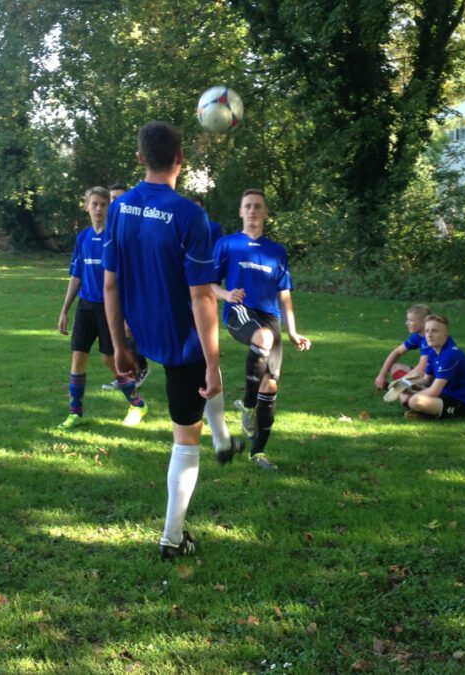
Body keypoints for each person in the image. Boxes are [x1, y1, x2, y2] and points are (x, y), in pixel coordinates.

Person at [103, 120, 244, 561]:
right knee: (186, 438)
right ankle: (172, 536)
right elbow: (201, 296)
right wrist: (213, 361)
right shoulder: (190, 215)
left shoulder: (120, 207)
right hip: (184, 342)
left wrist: (120, 346)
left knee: (201, 409)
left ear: (141, 158)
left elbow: (110, 285)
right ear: (180, 159)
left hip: (141, 334)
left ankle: (223, 439)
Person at [212, 189, 311, 471]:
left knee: (270, 385)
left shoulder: (277, 251)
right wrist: (226, 294)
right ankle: (247, 406)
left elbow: (285, 295)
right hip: (240, 311)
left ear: (266, 213)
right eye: (248, 206)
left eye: (258, 206)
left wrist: (293, 331)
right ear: (241, 212)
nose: (253, 210)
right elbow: (208, 283)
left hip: (271, 316)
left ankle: (258, 453)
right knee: (263, 339)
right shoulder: (227, 244)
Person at [57, 186, 148, 429]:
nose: (98, 208)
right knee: (78, 359)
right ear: (86, 206)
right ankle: (75, 413)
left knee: (112, 362)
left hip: (111, 309)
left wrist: (127, 317)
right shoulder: (83, 238)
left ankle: (138, 404)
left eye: (103, 204)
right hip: (86, 307)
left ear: (109, 207)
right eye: (94, 204)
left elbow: (128, 279)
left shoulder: (115, 237)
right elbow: (76, 275)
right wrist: (65, 309)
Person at [101, 181, 149, 392]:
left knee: (130, 329)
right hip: (107, 294)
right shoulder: (103, 231)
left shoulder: (136, 228)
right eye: (113, 199)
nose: (117, 202)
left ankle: (140, 368)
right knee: (117, 339)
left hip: (134, 290)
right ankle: (129, 374)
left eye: (121, 198)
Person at [398, 314, 465, 419]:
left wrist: (412, 397)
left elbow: (434, 391)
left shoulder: (451, 355)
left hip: (462, 403)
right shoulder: (433, 351)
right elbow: (426, 380)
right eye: (427, 331)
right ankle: (423, 412)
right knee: (405, 395)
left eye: (435, 331)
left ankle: (424, 413)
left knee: (414, 401)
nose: (429, 335)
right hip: (445, 394)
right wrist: (408, 386)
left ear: (445, 334)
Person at [375, 304, 432, 402]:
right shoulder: (418, 336)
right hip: (426, 373)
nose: (406, 323)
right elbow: (397, 352)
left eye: (410, 320)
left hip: (435, 378)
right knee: (395, 367)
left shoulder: (430, 338)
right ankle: (406, 391)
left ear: (423, 322)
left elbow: (421, 368)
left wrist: (401, 384)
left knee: (406, 399)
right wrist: (382, 374)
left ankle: (407, 394)